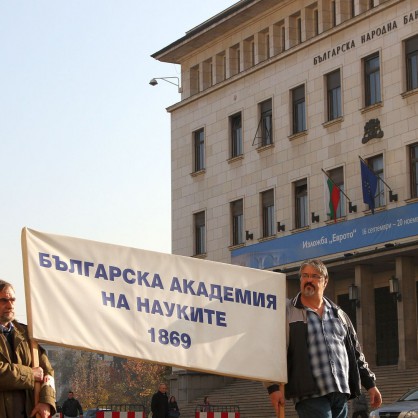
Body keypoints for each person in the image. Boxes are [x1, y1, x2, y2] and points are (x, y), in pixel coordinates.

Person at [265, 259, 382, 418]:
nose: (309, 280)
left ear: (325, 281)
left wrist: (370, 384)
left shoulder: (338, 313)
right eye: (305, 276)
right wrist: (273, 388)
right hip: (309, 393)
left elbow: (355, 353)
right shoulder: (287, 312)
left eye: (315, 276)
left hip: (339, 391)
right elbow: (273, 351)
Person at [0, 279, 56, 418]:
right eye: (4, 300)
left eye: (12, 300)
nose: (10, 305)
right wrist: (30, 374)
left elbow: (48, 371)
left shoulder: (27, 334)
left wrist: (46, 401)